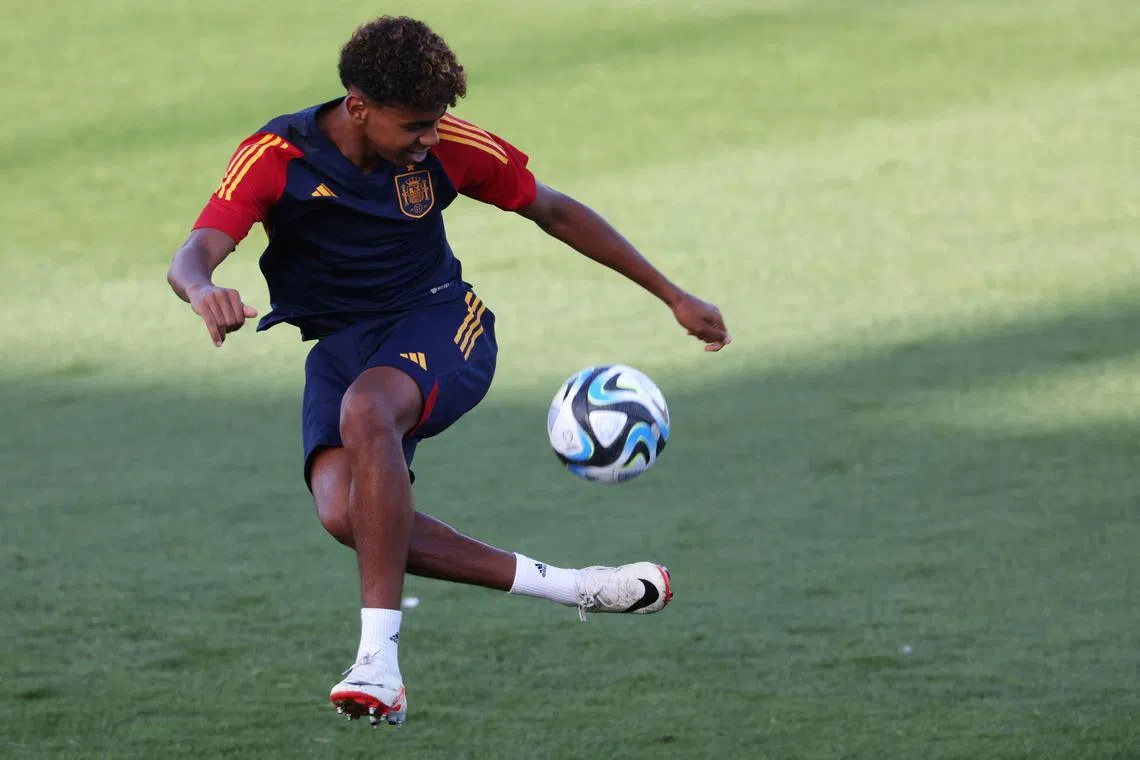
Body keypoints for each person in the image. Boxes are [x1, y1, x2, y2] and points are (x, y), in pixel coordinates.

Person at [167, 15, 731, 728]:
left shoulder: (449, 148)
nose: (430, 139)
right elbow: (192, 253)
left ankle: (379, 662)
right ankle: (577, 588)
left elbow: (553, 211)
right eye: (415, 126)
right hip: (342, 348)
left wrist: (673, 295)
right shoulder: (277, 156)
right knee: (348, 515)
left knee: (369, 413)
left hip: (442, 321)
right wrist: (201, 289)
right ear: (359, 107)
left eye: (437, 123)